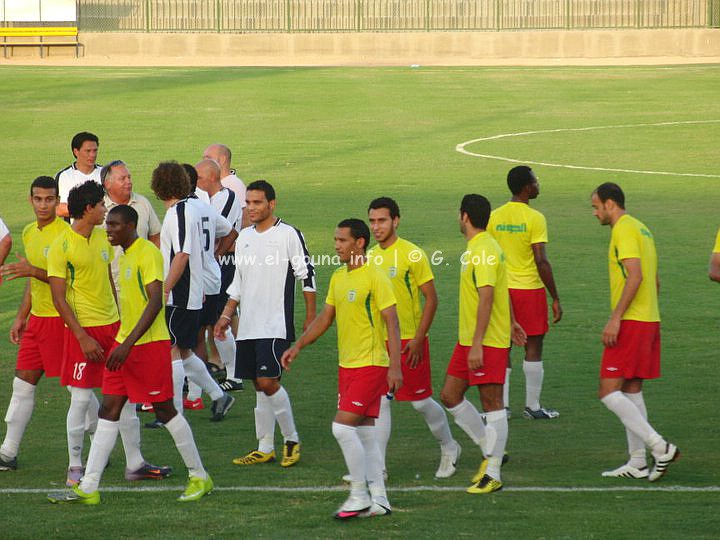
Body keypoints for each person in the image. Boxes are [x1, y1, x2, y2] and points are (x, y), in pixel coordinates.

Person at [47, 205, 212, 504]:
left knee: (164, 409)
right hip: (125, 346)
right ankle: (89, 486)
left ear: (132, 225)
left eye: (115, 224)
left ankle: (199, 475)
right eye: (107, 223)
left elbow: (155, 303)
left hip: (147, 347)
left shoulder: (147, 253)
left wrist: (127, 343)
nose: (108, 229)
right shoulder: (123, 253)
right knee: (108, 409)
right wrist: (122, 342)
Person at [47, 180, 170, 486]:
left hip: (112, 327)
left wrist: (121, 318)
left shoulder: (105, 238)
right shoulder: (62, 244)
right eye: (101, 205)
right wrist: (82, 336)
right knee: (80, 398)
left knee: (124, 398)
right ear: (88, 209)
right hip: (83, 331)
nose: (105, 210)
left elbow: (112, 281)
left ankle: (135, 462)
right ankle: (75, 465)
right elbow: (58, 297)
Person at [281, 218, 402, 519]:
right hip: (347, 365)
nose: (336, 246)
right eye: (336, 240)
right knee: (364, 434)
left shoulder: (375, 276)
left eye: (342, 240)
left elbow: (393, 321)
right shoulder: (338, 276)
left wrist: (395, 367)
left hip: (372, 364)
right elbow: (325, 317)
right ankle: (381, 500)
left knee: (341, 427)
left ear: (359, 242)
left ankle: (359, 494)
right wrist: (299, 345)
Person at [214, 180, 314, 468]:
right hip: (248, 326)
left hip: (275, 324)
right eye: (248, 202)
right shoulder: (243, 237)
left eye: (257, 202)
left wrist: (310, 315)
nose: (251, 208)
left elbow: (306, 274)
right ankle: (265, 447)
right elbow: (237, 283)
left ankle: (291, 439)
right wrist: (224, 316)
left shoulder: (288, 234)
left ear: (272, 204)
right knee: (259, 387)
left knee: (267, 381)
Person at [365, 197, 460, 479]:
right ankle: (378, 467)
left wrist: (419, 338)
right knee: (380, 401)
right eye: (372, 221)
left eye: (381, 220)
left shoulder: (412, 254)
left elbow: (431, 298)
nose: (376, 227)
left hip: (410, 341)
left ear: (396, 220)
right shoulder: (369, 257)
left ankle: (450, 446)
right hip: (381, 344)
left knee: (420, 402)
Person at [591, 182, 679, 481]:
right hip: (649, 319)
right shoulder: (644, 229)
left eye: (596, 206)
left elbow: (637, 275)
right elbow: (655, 281)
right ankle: (638, 462)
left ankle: (659, 446)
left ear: (610, 204)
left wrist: (616, 318)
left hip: (632, 321)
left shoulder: (624, 230)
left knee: (608, 391)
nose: (595, 213)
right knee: (631, 389)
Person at [440, 194, 525, 495]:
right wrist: (513, 320)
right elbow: (501, 289)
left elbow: (487, 295)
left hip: (485, 341)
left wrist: (477, 344)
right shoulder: (479, 247)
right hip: (470, 339)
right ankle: (492, 450)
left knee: (492, 404)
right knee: (450, 395)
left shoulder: (485, 249)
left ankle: (494, 472)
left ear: (464, 216)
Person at [150, 161, 235, 426]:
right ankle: (218, 395)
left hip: (183, 292)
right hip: (197, 288)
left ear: (159, 187)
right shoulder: (197, 208)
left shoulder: (180, 212)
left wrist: (165, 289)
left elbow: (183, 254)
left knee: (172, 350)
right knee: (184, 350)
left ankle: (172, 415)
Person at [0, 177, 69, 471]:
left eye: (49, 199)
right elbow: (33, 282)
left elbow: (64, 281)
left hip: (59, 321)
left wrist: (32, 270)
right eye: (38, 199)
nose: (43, 205)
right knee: (22, 385)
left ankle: (101, 441)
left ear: (57, 201)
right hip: (37, 322)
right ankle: (8, 452)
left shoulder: (65, 235)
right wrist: (21, 316)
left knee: (75, 390)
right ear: (30, 200)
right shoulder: (29, 232)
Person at [488, 166, 562, 419]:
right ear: (526, 187)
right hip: (529, 289)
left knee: (503, 347)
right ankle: (532, 406)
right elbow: (541, 260)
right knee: (533, 346)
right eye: (535, 181)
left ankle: (503, 407)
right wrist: (555, 297)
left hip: (501, 292)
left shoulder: (494, 216)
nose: (538, 184)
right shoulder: (535, 218)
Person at [183, 164, 239, 410]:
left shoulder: (185, 210)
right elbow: (230, 231)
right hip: (211, 275)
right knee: (208, 328)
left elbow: (181, 252)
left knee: (199, 333)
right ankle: (202, 391)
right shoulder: (203, 205)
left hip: (201, 279)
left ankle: (201, 392)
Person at [195, 159, 244, 391]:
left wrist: (214, 256)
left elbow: (227, 231)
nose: (196, 183)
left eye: (199, 178)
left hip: (221, 267)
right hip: (211, 267)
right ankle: (209, 372)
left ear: (212, 178)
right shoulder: (207, 199)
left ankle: (234, 373)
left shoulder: (227, 199)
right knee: (210, 320)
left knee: (220, 318)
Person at [101, 159, 161, 287]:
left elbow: (156, 237)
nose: (128, 182)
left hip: (142, 281)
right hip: (111, 285)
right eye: (122, 179)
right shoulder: (99, 209)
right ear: (107, 184)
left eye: (129, 177)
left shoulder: (142, 203)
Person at [55, 132, 102, 219]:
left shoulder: (105, 173)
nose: (93, 155)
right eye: (88, 151)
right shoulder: (65, 176)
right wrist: (91, 212)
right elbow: (59, 208)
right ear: (76, 152)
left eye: (95, 150)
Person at [202, 143, 250, 228]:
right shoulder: (210, 183)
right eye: (203, 158)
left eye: (208, 158)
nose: (204, 162)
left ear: (223, 159)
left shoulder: (234, 185)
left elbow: (246, 219)